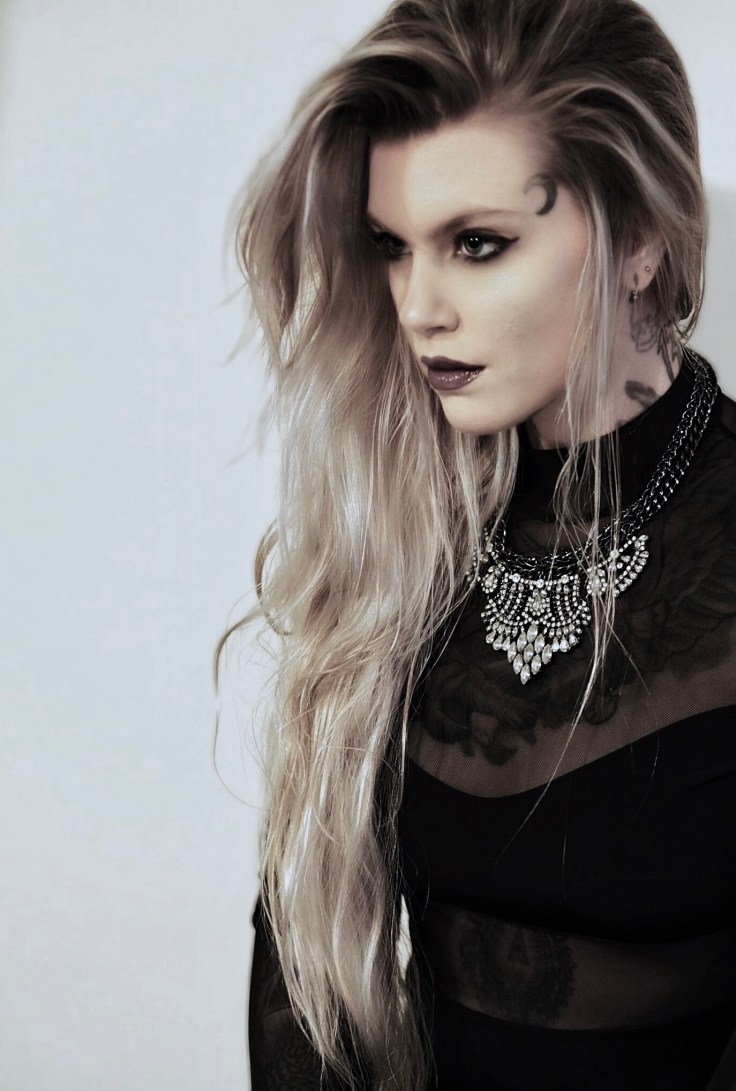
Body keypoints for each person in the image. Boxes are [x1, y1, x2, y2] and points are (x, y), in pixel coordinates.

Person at [230, 0, 736, 1086]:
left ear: (642, 235)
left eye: (477, 244)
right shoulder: (399, 527)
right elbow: (301, 959)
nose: (419, 307)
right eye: (391, 247)